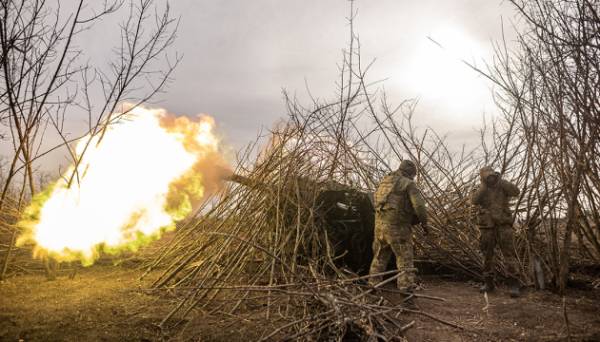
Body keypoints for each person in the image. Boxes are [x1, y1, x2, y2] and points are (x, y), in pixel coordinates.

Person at [369, 160, 429, 295]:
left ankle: (373, 288)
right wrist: (424, 224)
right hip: (398, 228)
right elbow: (419, 206)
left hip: (379, 226)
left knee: (379, 258)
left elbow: (374, 200)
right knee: (405, 261)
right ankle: (406, 294)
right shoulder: (408, 184)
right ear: (411, 173)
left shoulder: (385, 181)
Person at [471, 166, 521, 297]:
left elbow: (516, 191)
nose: (490, 179)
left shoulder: (502, 185)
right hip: (487, 227)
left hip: (504, 226)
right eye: (487, 176)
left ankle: (513, 284)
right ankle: (489, 283)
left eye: (492, 176)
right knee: (487, 256)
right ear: (482, 178)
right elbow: (474, 201)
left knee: (509, 255)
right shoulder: (481, 188)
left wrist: (501, 181)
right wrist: (483, 185)